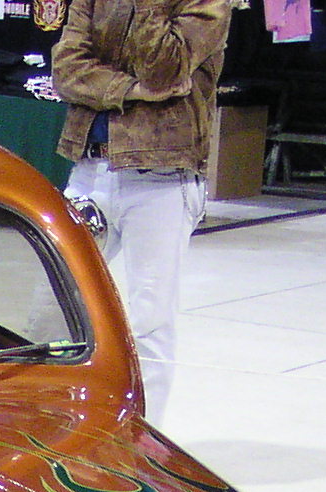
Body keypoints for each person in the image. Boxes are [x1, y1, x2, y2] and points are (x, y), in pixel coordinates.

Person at [51, 0, 231, 433]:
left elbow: (165, 70)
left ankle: (141, 440)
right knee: (50, 305)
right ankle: (55, 425)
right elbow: (66, 70)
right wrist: (130, 90)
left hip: (162, 177)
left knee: (150, 320)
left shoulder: (207, 4)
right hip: (90, 169)